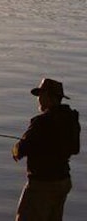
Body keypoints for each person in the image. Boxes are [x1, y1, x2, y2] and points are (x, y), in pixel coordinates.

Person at [12, 78, 80, 221]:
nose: (39, 100)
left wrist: (15, 149)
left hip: (42, 185)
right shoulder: (70, 119)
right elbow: (75, 149)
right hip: (63, 182)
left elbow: (21, 150)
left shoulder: (41, 122)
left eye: (41, 96)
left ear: (48, 97)